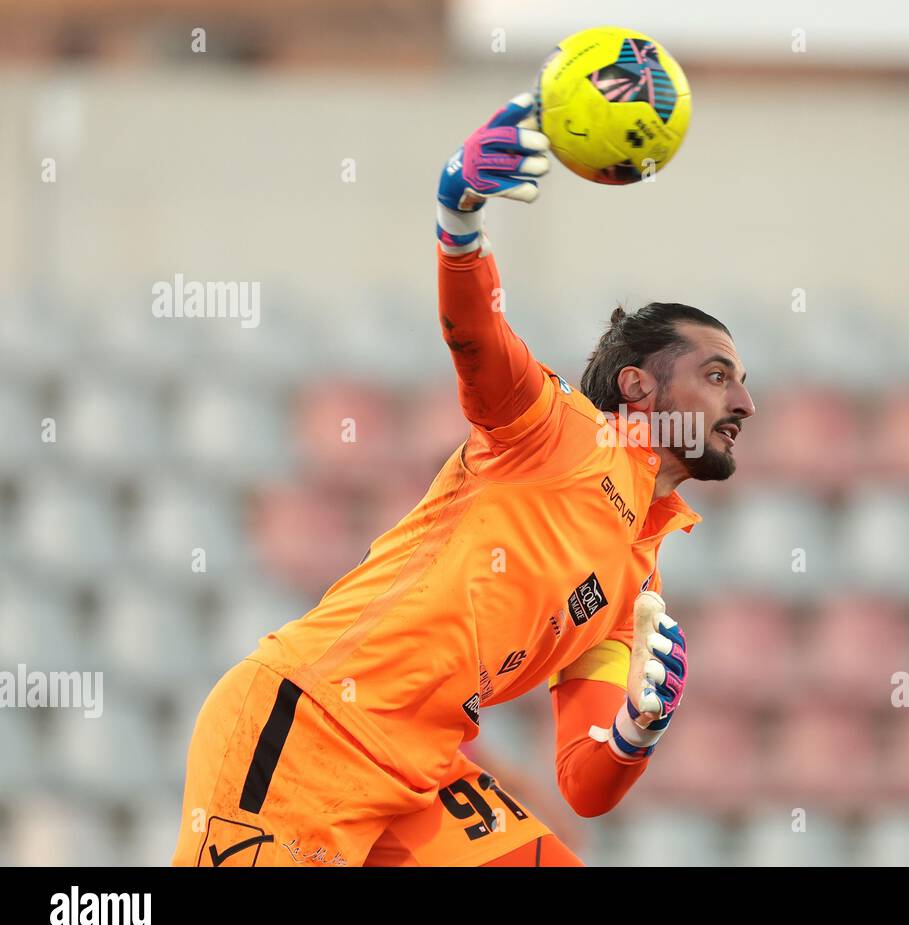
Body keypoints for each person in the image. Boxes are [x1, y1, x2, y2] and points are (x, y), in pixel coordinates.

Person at [172, 92, 755, 867]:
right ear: (639, 388)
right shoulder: (562, 432)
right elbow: (477, 340)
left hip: (425, 771)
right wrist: (462, 223)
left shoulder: (635, 580)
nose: (745, 402)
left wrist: (634, 731)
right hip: (314, 729)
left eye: (743, 381)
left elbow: (585, 781)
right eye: (718, 375)